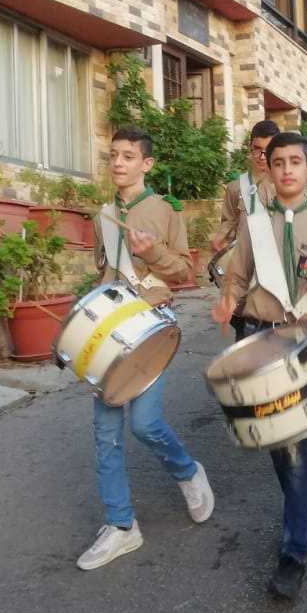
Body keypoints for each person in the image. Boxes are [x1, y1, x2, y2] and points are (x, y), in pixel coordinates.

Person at [212, 131, 307, 603]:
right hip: (258, 333)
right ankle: (305, 510)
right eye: (279, 162)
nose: (288, 169)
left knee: (293, 440)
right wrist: (227, 299)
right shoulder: (254, 222)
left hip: (301, 336)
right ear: (268, 171)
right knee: (276, 439)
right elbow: (236, 275)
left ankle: (294, 552)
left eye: (296, 161)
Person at [78, 126, 215, 571]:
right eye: (113, 155)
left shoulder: (164, 210)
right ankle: (121, 525)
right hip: (111, 328)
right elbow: (103, 274)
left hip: (152, 324)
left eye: (128, 156)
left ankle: (187, 471)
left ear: (146, 164)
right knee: (105, 430)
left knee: (145, 422)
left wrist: (153, 253)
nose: (118, 163)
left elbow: (184, 272)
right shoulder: (104, 214)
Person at [211, 119, 280, 341]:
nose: (262, 156)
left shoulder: (288, 185)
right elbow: (228, 222)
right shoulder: (236, 188)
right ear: (250, 149)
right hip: (245, 274)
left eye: (268, 150)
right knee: (245, 339)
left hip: (279, 275)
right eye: (257, 149)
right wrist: (221, 237)